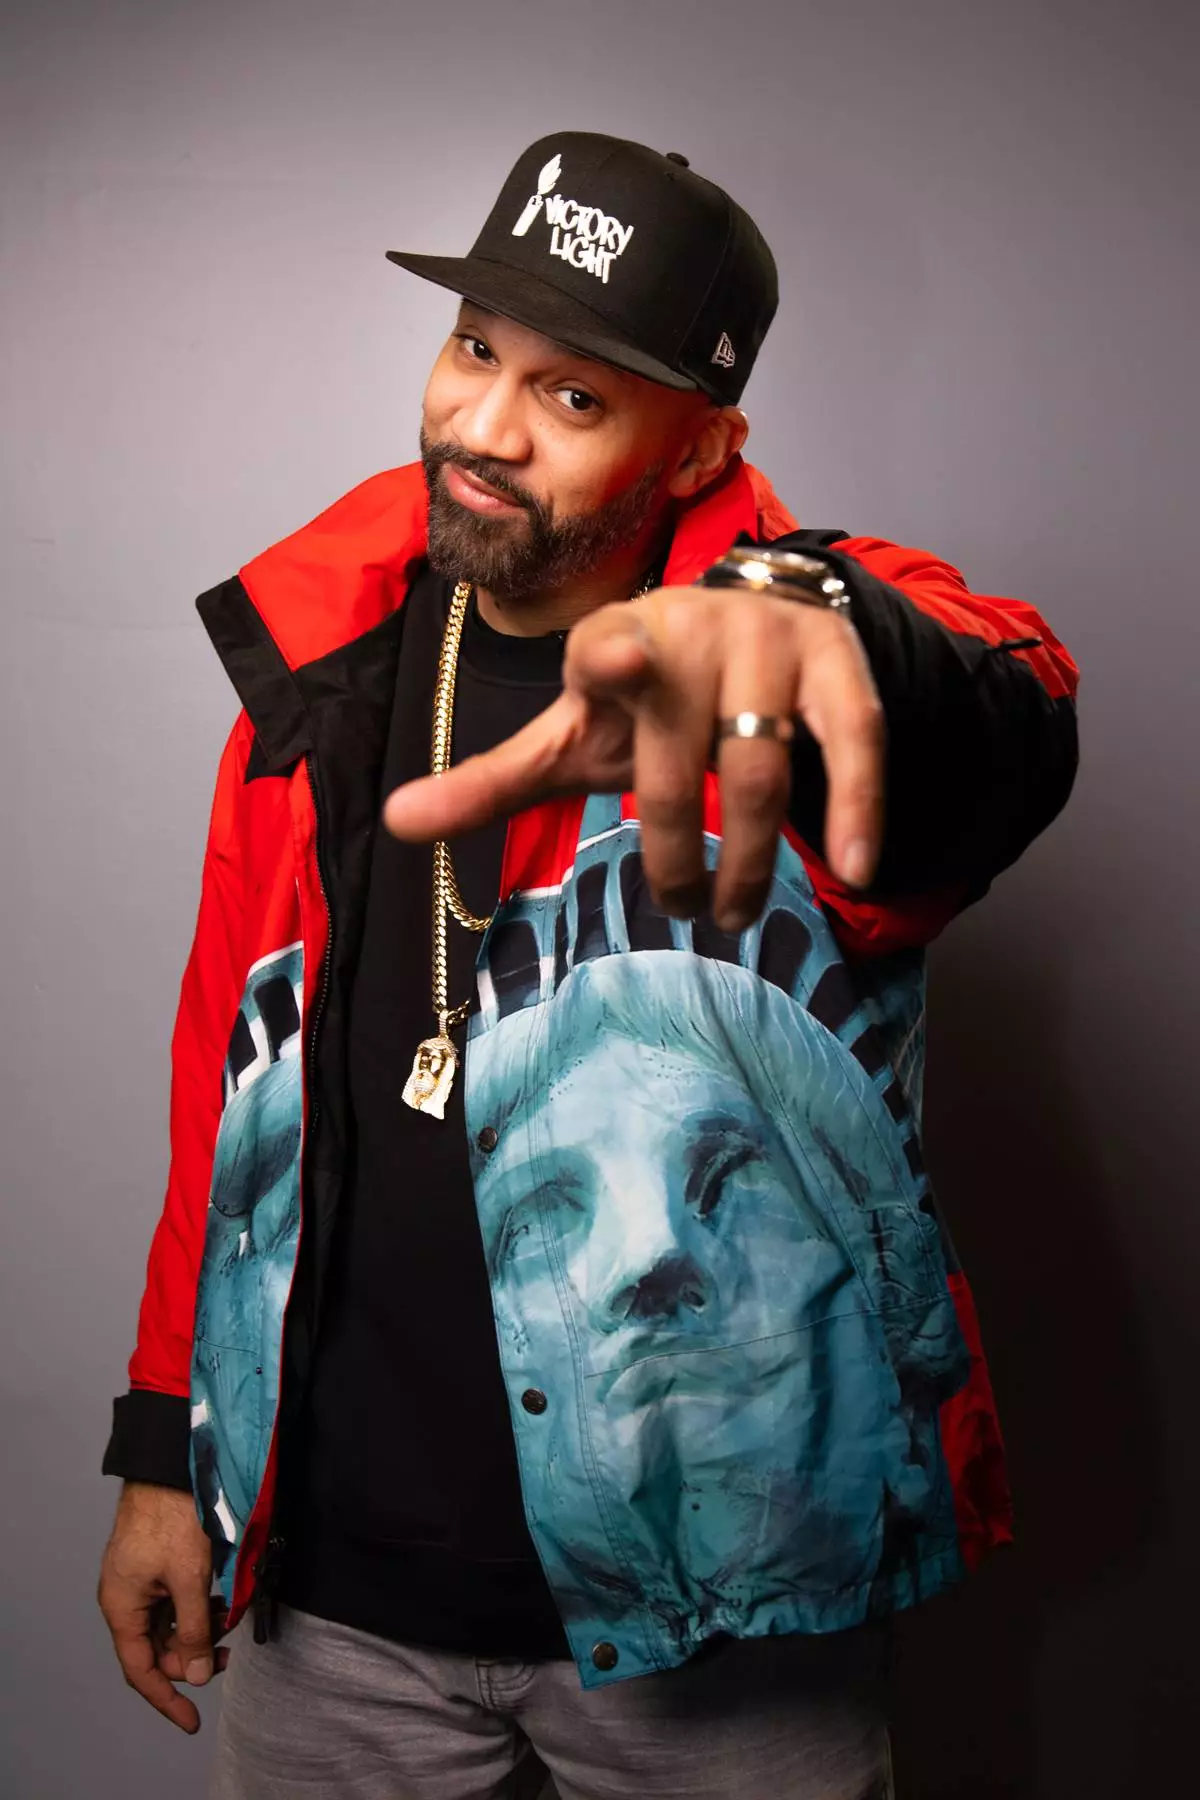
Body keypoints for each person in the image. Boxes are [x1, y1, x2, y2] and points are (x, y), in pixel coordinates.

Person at [97, 132, 1078, 1799]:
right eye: (476, 348)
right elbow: (229, 1093)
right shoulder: (325, 664)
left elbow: (1007, 714)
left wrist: (807, 626)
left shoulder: (784, 664)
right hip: (332, 1605)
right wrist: (161, 1448)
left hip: (724, 1610)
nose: (484, 425)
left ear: (700, 446)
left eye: (572, 395)